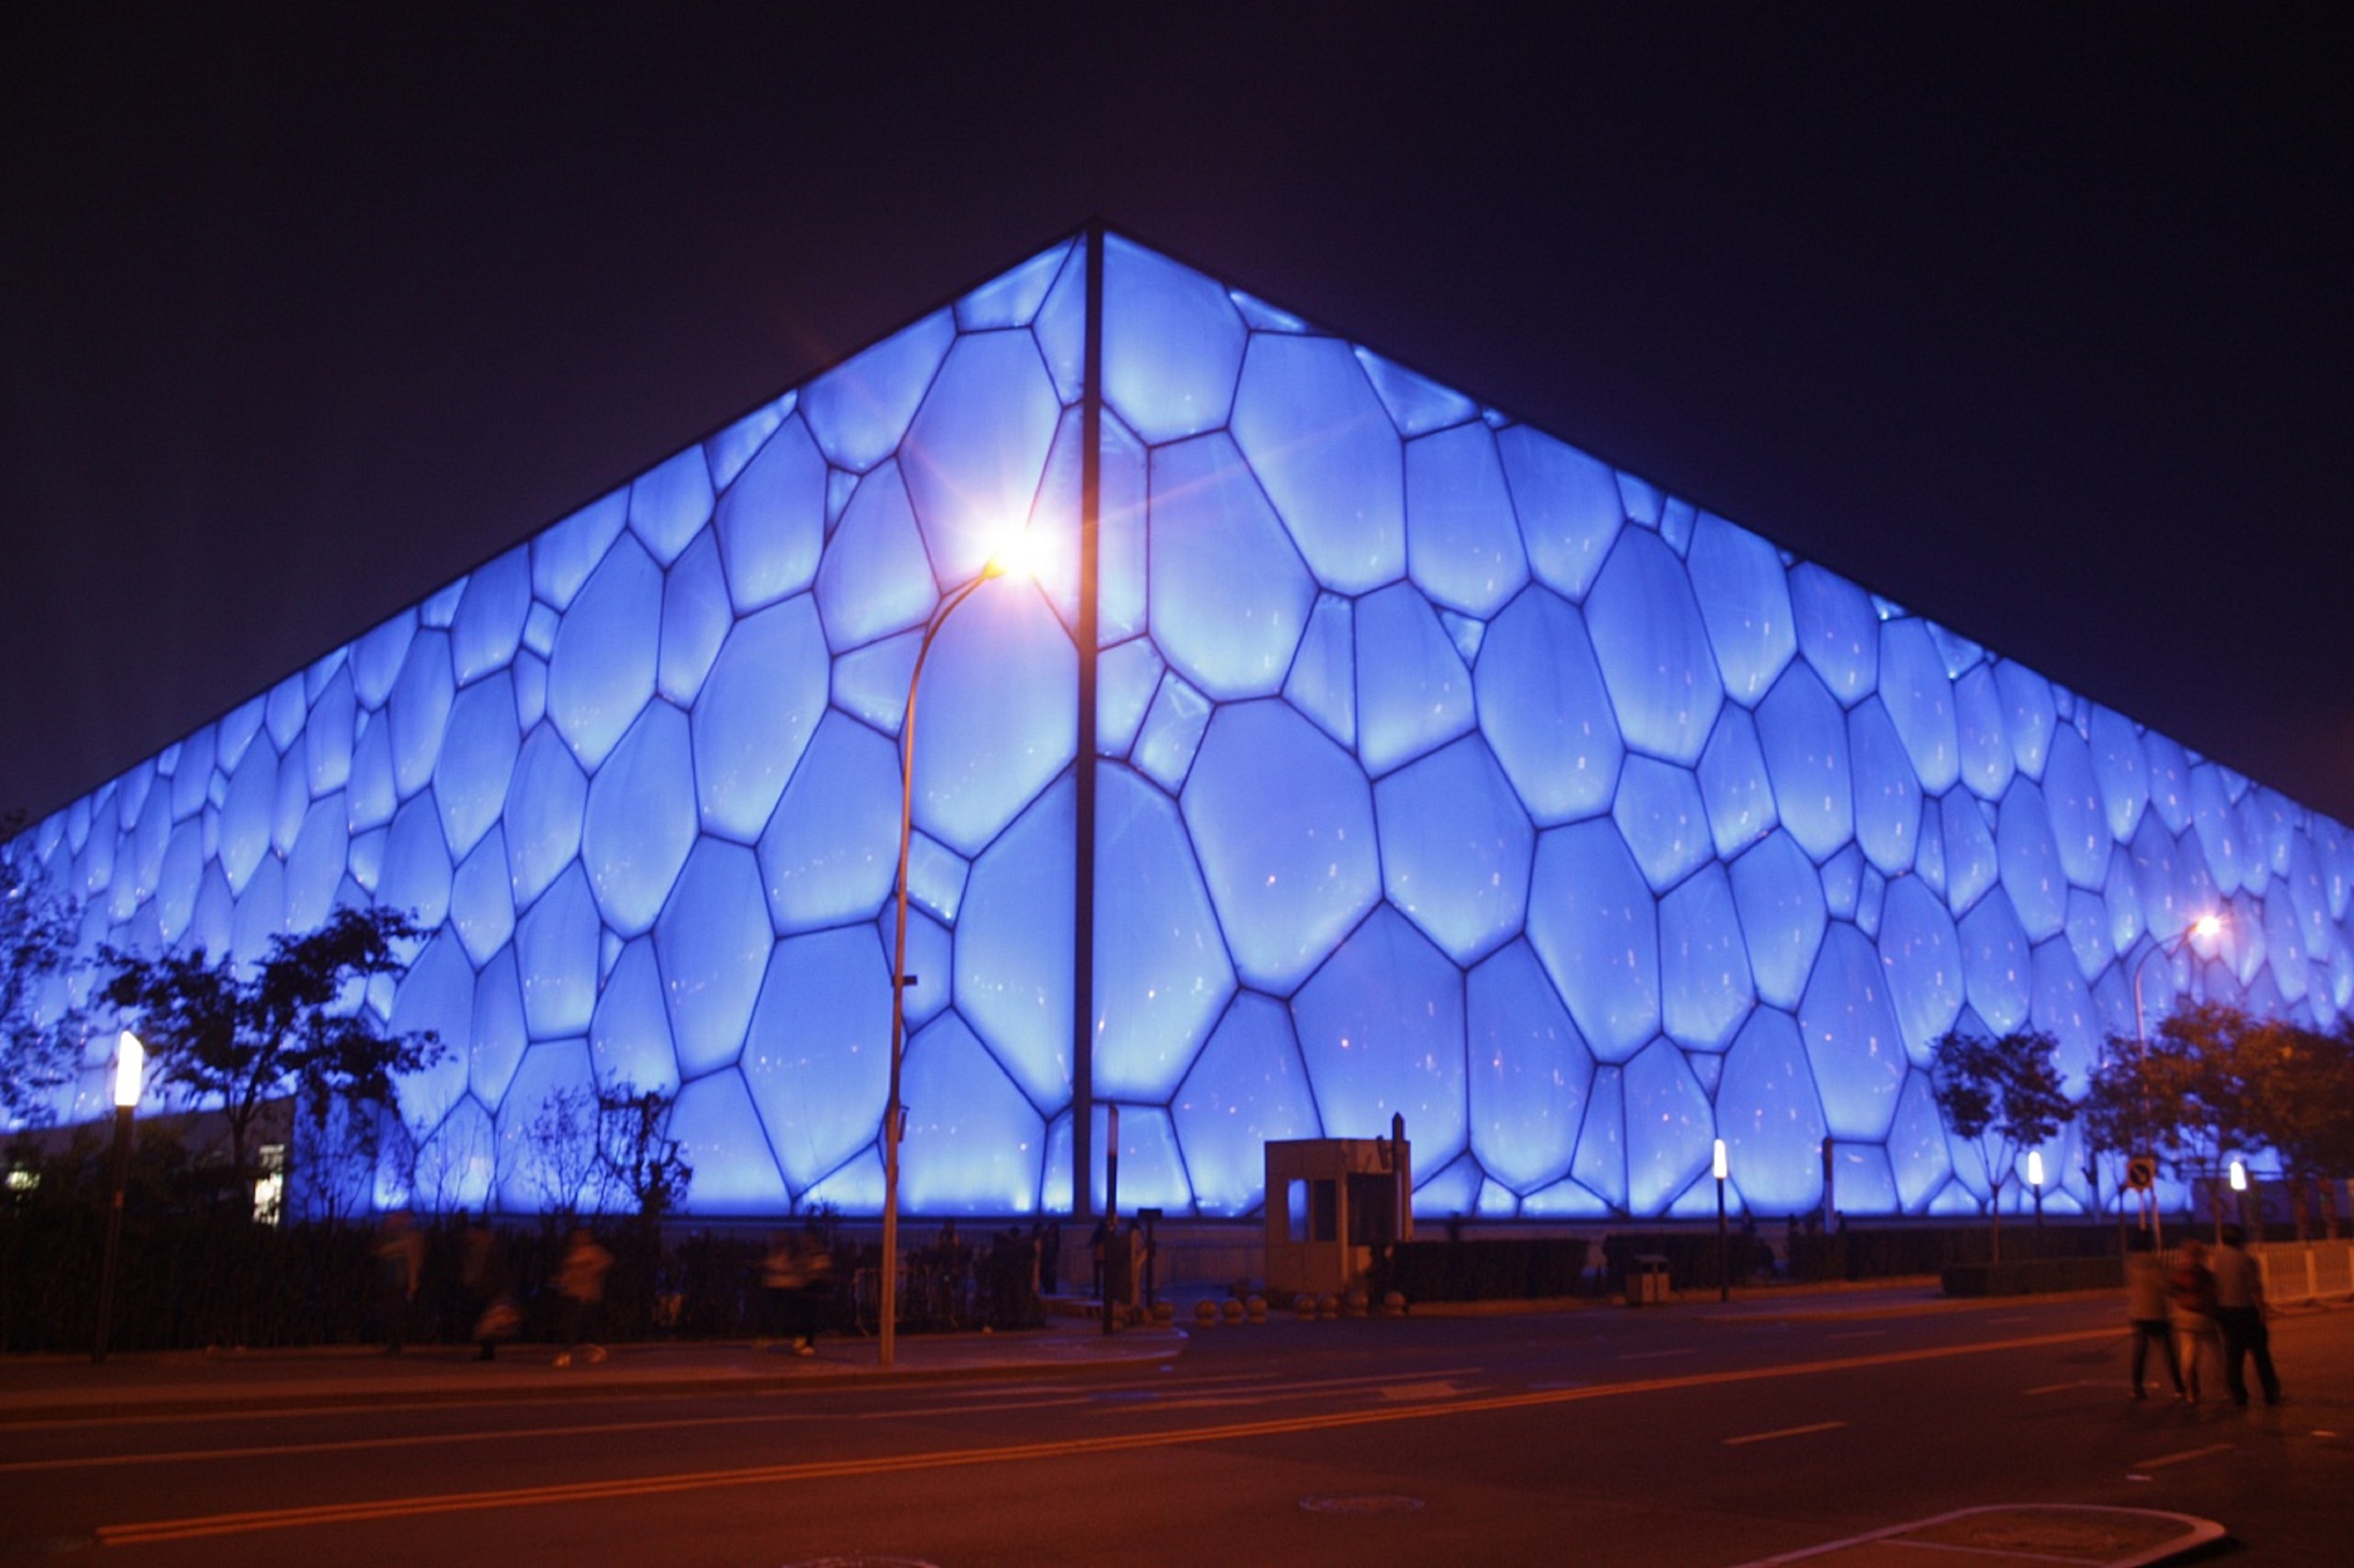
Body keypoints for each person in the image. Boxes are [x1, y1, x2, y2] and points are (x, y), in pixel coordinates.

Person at [2212, 1224, 2283, 1406]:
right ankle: (2270, 1392)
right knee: (2260, 1354)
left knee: (2234, 1356)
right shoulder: (2246, 1260)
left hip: (2225, 1312)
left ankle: (2239, 1395)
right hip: (2245, 1310)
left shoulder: (2217, 1260)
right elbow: (2255, 1288)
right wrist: (2262, 1311)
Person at [2123, 1230, 2184, 1401]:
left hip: (2138, 1312)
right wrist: (2177, 1291)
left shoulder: (2131, 1264)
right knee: (2169, 1353)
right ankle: (2179, 1387)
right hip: (2156, 1312)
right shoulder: (2156, 1263)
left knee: (2140, 1353)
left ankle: (2137, 1387)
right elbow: (2164, 1286)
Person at [2168, 1237, 2220, 1404]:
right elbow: (2213, 1295)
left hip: (2185, 1318)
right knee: (2216, 1355)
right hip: (2204, 1318)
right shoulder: (2205, 1275)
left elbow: (2171, 1291)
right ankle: (2225, 1386)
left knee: (2189, 1356)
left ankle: (2191, 1390)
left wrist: (2183, 1299)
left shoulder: (2178, 1274)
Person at [553, 1227, 614, 1367]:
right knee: (578, 1324)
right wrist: (561, 1281)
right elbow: (568, 1272)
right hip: (573, 1293)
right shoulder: (574, 1253)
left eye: (583, 1236)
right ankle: (593, 1349)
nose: (579, 1239)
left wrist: (593, 1272)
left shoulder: (593, 1252)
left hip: (587, 1294)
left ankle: (567, 1353)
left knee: (576, 1324)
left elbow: (607, 1261)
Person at [462, 1216, 518, 1362]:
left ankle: (488, 1350)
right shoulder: (476, 1248)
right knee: (483, 1319)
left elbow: (498, 1269)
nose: (470, 1235)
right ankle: (487, 1349)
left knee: (486, 1319)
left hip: (489, 1288)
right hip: (480, 1287)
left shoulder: (491, 1248)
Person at [372, 1210, 424, 1355]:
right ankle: (394, 1342)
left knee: (396, 1313)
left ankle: (396, 1344)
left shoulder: (409, 1238)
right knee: (391, 1313)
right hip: (391, 1279)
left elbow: (413, 1261)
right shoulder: (390, 1237)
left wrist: (412, 1283)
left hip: (399, 1280)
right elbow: (379, 1251)